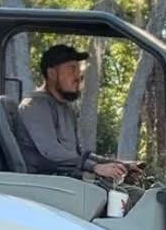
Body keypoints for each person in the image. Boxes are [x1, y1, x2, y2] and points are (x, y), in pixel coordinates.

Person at [16, 43, 131, 181]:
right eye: (72, 69)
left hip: (66, 184)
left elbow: (79, 154)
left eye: (78, 69)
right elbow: (51, 152)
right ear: (52, 73)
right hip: (43, 186)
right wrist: (95, 167)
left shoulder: (66, 108)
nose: (78, 76)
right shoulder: (34, 106)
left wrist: (118, 165)